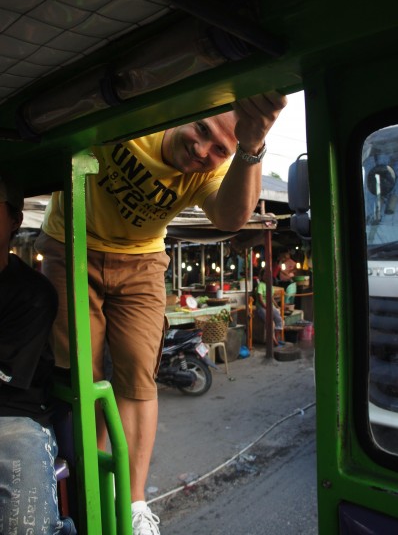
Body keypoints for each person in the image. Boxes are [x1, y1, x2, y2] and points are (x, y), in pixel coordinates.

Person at [35, 91, 287, 534]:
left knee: (137, 374)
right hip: (71, 242)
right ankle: (94, 485)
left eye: (220, 150)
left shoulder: (220, 168)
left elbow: (230, 218)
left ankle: (132, 502)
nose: (201, 150)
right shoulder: (140, 116)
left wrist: (251, 148)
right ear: (187, 112)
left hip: (143, 260)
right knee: (84, 374)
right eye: (201, 130)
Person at [0, 175, 76, 535]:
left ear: (14, 219)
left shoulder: (33, 293)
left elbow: (8, 377)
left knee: (26, 526)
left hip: (15, 421)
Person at [255, 267, 284, 346]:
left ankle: (276, 337)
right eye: (265, 275)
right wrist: (266, 307)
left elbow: (271, 298)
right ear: (262, 276)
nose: (266, 276)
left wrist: (277, 306)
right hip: (261, 307)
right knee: (271, 322)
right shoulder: (260, 285)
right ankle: (273, 340)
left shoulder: (270, 286)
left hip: (269, 306)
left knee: (279, 319)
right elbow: (260, 298)